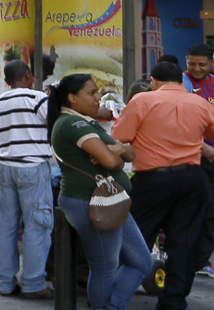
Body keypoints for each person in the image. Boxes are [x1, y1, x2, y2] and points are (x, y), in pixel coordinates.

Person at [115, 60, 214, 308]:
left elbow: (120, 135)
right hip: (193, 179)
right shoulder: (201, 103)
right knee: (184, 243)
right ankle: (173, 300)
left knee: (136, 237)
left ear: (153, 81)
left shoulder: (142, 101)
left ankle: (117, 293)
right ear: (181, 81)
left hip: (153, 179)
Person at [49, 73, 154, 310]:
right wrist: (114, 152)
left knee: (141, 262)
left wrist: (115, 149)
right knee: (105, 267)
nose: (98, 98)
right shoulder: (71, 123)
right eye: (91, 93)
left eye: (97, 92)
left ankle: (112, 306)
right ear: (72, 98)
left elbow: (129, 154)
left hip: (112, 202)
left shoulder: (88, 121)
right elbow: (113, 162)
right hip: (90, 202)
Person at [0, 60, 55, 299]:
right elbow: (53, 122)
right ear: (28, 75)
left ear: (6, 81)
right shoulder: (37, 99)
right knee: (37, 225)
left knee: (5, 226)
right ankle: (34, 283)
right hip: (33, 167)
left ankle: (5, 283)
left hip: (5, 168)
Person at [181, 44, 214, 278]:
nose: (196, 68)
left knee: (211, 211)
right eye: (192, 63)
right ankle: (181, 257)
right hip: (191, 159)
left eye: (202, 64)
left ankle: (202, 261)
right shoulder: (182, 84)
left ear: (212, 63)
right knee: (191, 210)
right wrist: (201, 147)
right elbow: (176, 124)